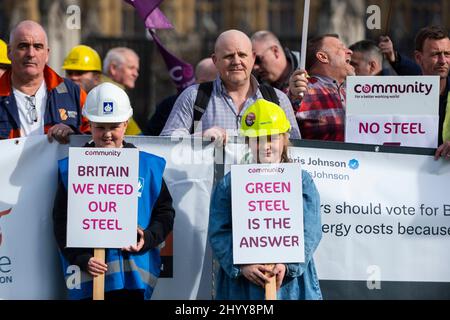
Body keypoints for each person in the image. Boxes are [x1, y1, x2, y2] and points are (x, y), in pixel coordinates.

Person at [52, 82, 175, 300]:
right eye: (100, 127)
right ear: (89, 125)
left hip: (133, 283)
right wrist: (81, 258)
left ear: (126, 125)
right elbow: (61, 221)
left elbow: (165, 214)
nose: (107, 134)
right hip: (88, 279)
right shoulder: (71, 169)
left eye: (114, 126)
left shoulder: (148, 167)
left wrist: (147, 237)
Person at [208, 99, 322, 300]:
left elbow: (310, 230)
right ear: (247, 142)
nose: (266, 146)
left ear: (285, 138)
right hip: (242, 287)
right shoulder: (230, 184)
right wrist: (241, 265)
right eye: (258, 139)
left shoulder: (301, 181)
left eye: (272, 138)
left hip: (290, 286)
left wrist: (288, 266)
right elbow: (219, 232)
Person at [160, 29, 301, 142]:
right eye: (228, 56)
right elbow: (165, 142)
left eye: (242, 55)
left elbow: (295, 149)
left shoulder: (278, 100)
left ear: (252, 58)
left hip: (259, 178)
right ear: (215, 60)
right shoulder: (193, 97)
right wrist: (199, 139)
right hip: (208, 178)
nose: (236, 61)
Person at [0, 20, 88, 142]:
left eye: (37, 47)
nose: (31, 53)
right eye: (23, 46)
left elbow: (95, 137)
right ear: (9, 52)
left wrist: (74, 134)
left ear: (47, 54)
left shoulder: (73, 93)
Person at [378, 26, 450, 158]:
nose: (443, 61)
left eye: (447, 54)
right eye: (435, 54)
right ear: (418, 57)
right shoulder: (402, 94)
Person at [289, 34, 354, 141]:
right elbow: (284, 118)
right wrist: (293, 96)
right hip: (317, 158)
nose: (350, 51)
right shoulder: (304, 90)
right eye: (341, 48)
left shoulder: (354, 92)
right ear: (323, 57)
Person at [144, 57, 218, 136]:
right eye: (217, 81)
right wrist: (202, 135)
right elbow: (164, 137)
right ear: (201, 81)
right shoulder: (188, 100)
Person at [103, 47, 142, 135]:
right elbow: (132, 132)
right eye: (131, 68)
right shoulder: (111, 93)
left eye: (137, 70)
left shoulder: (109, 90)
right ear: (113, 68)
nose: (136, 74)